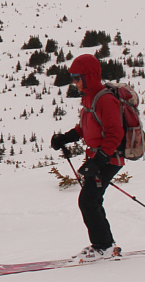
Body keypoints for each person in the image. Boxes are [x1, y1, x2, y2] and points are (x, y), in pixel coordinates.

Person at [50, 53, 126, 262]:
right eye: (72, 77)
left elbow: (115, 133)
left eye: (77, 77)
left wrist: (99, 160)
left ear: (89, 76)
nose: (74, 82)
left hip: (109, 158)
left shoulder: (105, 100)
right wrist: (65, 138)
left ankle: (103, 247)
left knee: (88, 201)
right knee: (91, 200)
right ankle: (106, 245)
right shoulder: (90, 97)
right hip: (99, 157)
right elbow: (87, 127)